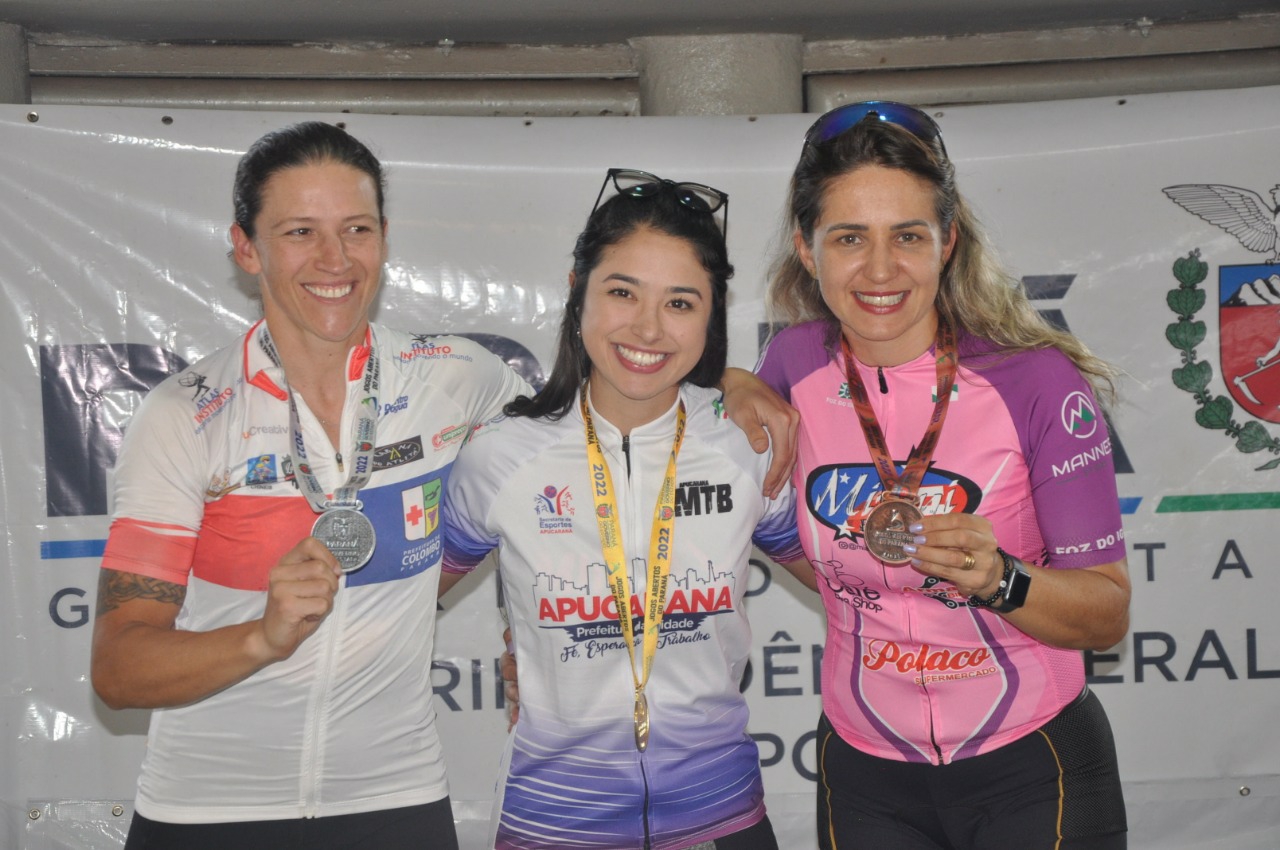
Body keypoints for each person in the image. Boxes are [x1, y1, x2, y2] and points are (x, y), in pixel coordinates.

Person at [90, 121, 531, 849]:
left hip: (397, 798)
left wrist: (729, 385)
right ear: (246, 248)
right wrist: (261, 638)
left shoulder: (455, 379)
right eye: (299, 232)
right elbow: (118, 667)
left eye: (355, 229)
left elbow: (580, 442)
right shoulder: (186, 415)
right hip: (206, 811)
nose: (334, 260)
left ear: (384, 238)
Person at [755, 102, 1131, 849]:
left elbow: (1106, 614)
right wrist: (737, 383)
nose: (881, 269)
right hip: (865, 774)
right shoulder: (788, 367)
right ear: (807, 247)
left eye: (909, 237)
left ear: (948, 241)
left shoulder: (1035, 381)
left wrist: (999, 578)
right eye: (850, 238)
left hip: (1034, 762)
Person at [441, 168, 815, 850]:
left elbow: (847, 586)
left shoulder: (747, 444)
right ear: (577, 288)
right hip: (555, 822)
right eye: (622, 292)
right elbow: (401, 605)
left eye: (680, 303)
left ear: (713, 313)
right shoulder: (501, 456)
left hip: (721, 820)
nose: (648, 327)